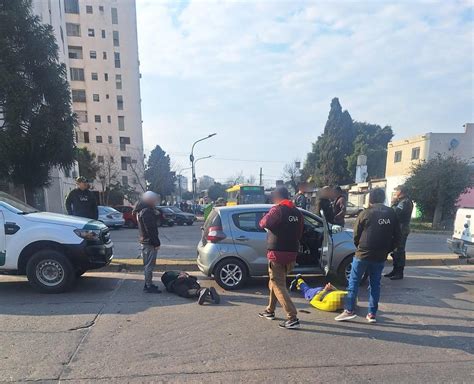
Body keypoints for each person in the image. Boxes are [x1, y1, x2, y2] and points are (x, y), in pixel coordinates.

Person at [335, 188, 401, 323]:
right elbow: (398, 237)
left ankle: (349, 310)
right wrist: (387, 250)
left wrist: (360, 247)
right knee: (375, 284)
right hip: (380, 256)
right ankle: (371, 314)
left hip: (363, 254)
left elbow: (356, 235)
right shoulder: (391, 213)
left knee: (354, 282)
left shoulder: (365, 213)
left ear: (370, 198)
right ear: (383, 198)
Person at [258, 186, 304, 329]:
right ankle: (270, 310)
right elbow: (301, 231)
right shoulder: (297, 212)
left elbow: (263, 223)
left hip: (277, 253)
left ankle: (292, 317)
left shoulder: (277, 210)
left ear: (277, 197)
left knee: (278, 285)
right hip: (291, 253)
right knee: (275, 282)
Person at [133, 191, 162, 293]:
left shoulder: (141, 210)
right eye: (153, 200)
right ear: (149, 200)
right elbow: (151, 229)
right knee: (149, 265)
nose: (155, 202)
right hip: (149, 242)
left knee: (147, 265)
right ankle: (148, 285)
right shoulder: (147, 211)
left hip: (144, 241)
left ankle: (148, 284)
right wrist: (156, 243)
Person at [385, 185, 414, 280]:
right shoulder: (401, 201)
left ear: (401, 191)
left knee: (399, 251)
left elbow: (396, 212)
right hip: (398, 228)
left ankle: (399, 272)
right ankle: (395, 270)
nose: (395, 192)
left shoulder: (405, 202)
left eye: (396, 190)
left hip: (402, 229)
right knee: (395, 250)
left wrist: (393, 203)